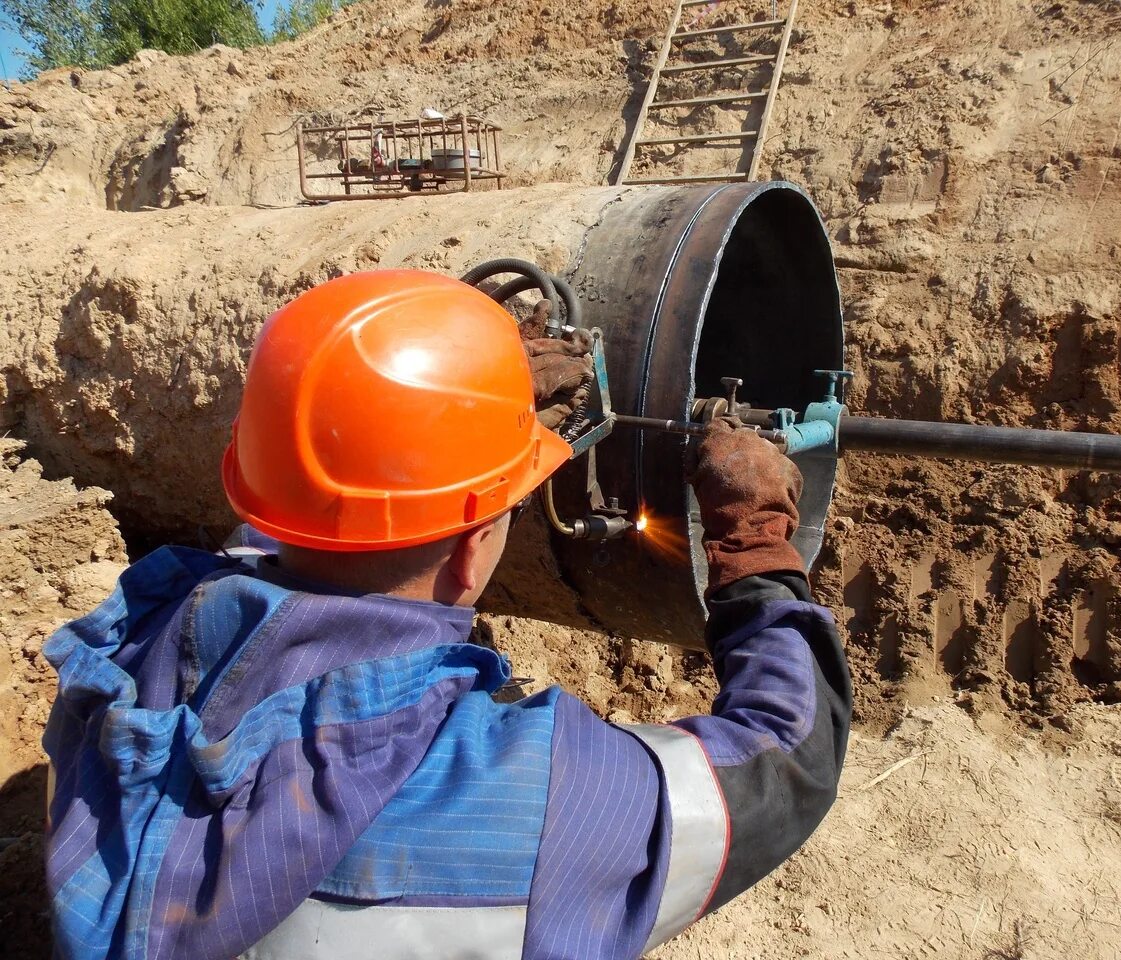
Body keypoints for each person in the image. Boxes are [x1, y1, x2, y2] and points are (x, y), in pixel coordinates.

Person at [41, 270, 852, 960]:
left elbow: (277, 536)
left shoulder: (136, 637)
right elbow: (787, 759)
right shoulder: (538, 801)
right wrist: (755, 548)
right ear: (475, 551)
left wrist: (423, 417)